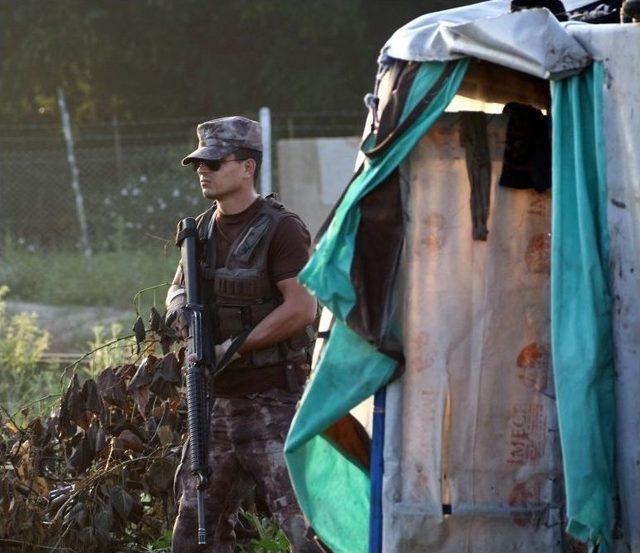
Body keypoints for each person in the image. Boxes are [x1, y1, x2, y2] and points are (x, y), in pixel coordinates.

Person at [165, 116, 321, 552]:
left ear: (247, 167)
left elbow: (302, 307)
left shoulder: (282, 228)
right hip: (215, 404)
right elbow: (177, 290)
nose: (203, 170)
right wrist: (186, 319)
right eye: (199, 162)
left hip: (273, 402)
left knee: (305, 530)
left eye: (215, 162)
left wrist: (233, 346)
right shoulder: (200, 231)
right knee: (195, 534)